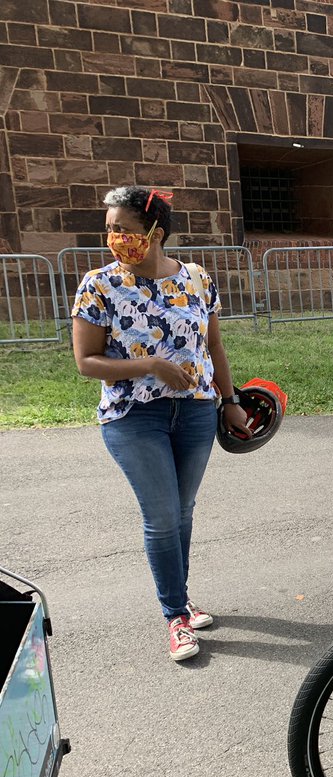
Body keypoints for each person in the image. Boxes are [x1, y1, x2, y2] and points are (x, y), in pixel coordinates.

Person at [71, 186, 250, 662]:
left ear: (155, 232)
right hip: (133, 416)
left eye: (123, 229)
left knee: (182, 511)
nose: (114, 238)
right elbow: (86, 361)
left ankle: (181, 598)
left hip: (196, 410)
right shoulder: (99, 284)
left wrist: (230, 401)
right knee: (163, 516)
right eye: (110, 229)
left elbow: (214, 346)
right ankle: (175, 615)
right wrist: (149, 365)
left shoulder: (196, 278)